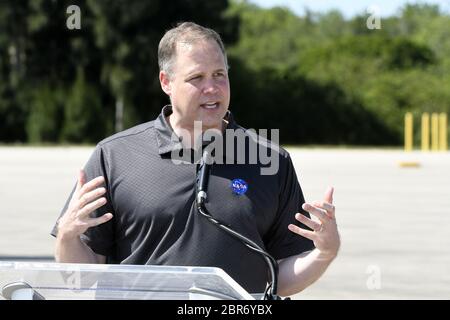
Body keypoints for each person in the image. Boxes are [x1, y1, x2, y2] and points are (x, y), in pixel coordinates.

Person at [51, 22, 340, 296]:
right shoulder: (114, 156)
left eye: (219, 75)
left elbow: (278, 279)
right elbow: (81, 278)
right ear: (166, 81)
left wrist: (323, 254)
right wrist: (67, 237)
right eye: (196, 78)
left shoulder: (269, 159)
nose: (212, 88)